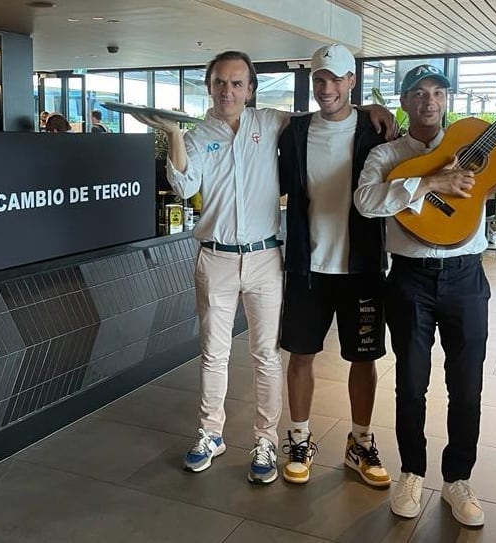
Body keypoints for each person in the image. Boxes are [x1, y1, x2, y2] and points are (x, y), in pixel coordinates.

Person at [131, 50, 395, 485]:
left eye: (237, 83)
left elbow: (327, 112)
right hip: (214, 257)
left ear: (251, 90)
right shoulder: (197, 135)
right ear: (209, 86)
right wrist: (176, 134)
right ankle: (210, 434)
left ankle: (266, 440)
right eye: (219, 83)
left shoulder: (270, 123)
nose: (228, 91)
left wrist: (370, 108)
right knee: (213, 354)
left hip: (265, 258)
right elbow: (183, 186)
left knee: (267, 356)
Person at [354, 63, 496, 527]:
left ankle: (457, 479)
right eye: (419, 93)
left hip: (466, 277)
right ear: (405, 103)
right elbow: (366, 201)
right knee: (410, 384)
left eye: (438, 93)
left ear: (446, 101)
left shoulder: (476, 142)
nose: (429, 101)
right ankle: (411, 471)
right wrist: (429, 183)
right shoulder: (388, 155)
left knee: (466, 386)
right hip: (409, 277)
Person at [277, 44, 390, 488]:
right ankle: (300, 439)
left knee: (364, 358)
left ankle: (360, 443)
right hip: (309, 266)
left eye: (334, 80)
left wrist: (377, 108)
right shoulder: (295, 130)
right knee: (300, 353)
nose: (325, 89)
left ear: (351, 82)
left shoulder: (376, 129)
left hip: (361, 265)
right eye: (318, 80)